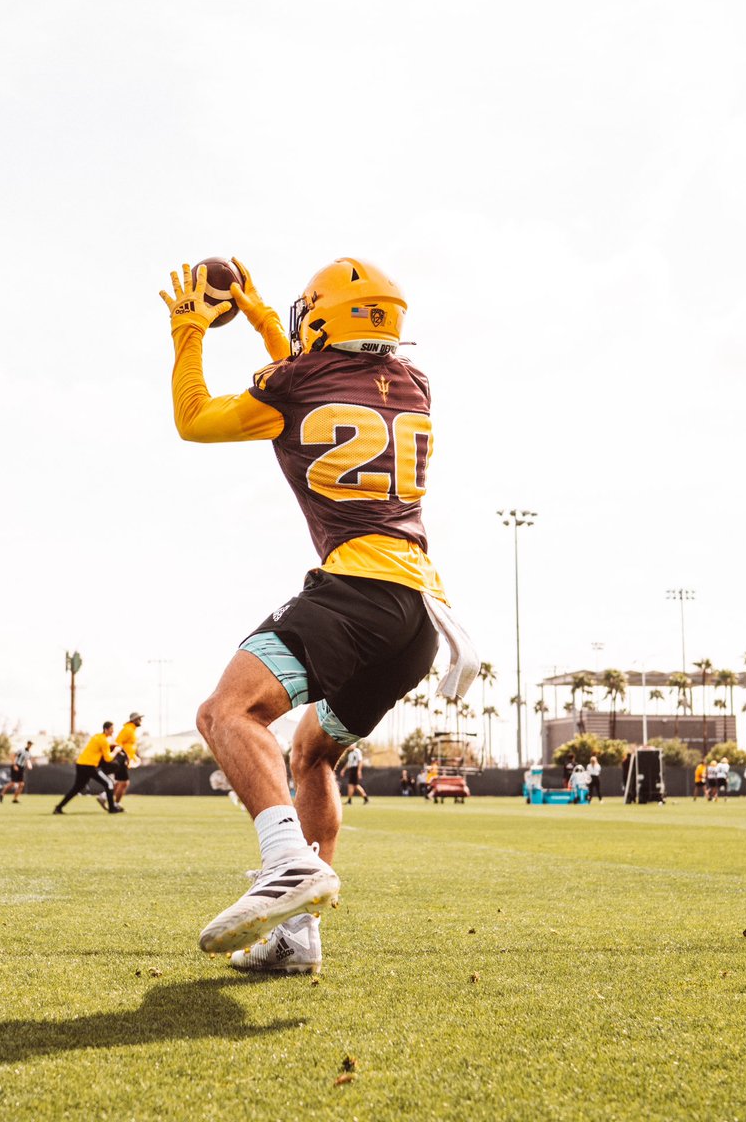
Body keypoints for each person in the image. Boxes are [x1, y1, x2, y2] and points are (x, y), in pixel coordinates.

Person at [159, 258, 477, 974]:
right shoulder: (414, 384)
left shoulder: (296, 383)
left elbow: (195, 420)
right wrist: (268, 321)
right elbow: (311, 383)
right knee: (312, 753)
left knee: (227, 713)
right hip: (420, 614)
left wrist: (189, 333)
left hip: (354, 594)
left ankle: (286, 861)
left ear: (323, 319)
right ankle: (299, 939)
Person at [53, 723, 123, 815]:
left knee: (77, 788)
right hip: (90, 766)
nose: (113, 731)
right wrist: (116, 751)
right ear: (106, 730)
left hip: (81, 764)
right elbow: (108, 758)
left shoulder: (97, 736)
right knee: (109, 783)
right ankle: (112, 809)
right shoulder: (103, 740)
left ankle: (58, 808)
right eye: (111, 729)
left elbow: (101, 745)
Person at [98, 712, 143, 809]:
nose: (141, 720)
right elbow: (117, 743)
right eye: (139, 719)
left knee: (119, 782)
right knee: (124, 783)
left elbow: (129, 746)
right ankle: (115, 804)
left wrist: (134, 757)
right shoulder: (128, 730)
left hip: (124, 759)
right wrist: (123, 756)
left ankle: (104, 796)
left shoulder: (131, 730)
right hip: (122, 760)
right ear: (134, 720)